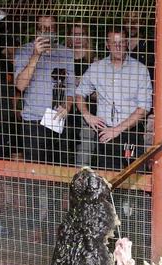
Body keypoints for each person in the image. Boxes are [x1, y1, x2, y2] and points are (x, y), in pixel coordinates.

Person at [75, 26, 153, 171]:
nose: (118, 47)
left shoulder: (140, 70)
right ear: (107, 45)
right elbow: (80, 93)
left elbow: (143, 109)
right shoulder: (97, 68)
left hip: (131, 133)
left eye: (121, 42)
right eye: (114, 43)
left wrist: (117, 130)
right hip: (105, 134)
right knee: (106, 181)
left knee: (135, 180)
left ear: (127, 43)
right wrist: (87, 115)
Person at [14, 14, 75, 165]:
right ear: (36, 31)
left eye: (51, 28)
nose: (48, 32)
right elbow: (20, 86)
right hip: (33, 120)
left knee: (60, 170)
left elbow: (71, 87)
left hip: (58, 119)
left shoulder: (66, 53)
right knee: (35, 171)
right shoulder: (24, 51)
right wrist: (36, 55)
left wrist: (67, 106)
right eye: (43, 29)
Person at [67, 23, 97, 167]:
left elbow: (101, 94)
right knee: (64, 155)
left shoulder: (95, 62)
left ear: (87, 37)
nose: (77, 38)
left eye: (81, 34)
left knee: (83, 160)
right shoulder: (63, 58)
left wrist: (82, 86)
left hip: (87, 115)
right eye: (74, 33)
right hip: (65, 112)